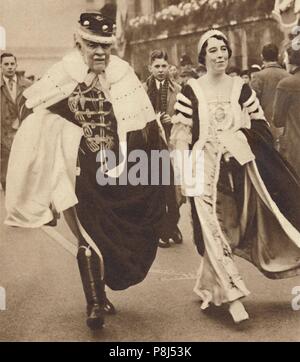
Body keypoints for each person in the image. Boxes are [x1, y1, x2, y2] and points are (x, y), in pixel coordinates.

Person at [5, 10, 168, 330]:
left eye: (105, 46)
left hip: (118, 170)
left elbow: (146, 126)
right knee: (86, 232)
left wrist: (157, 173)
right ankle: (94, 302)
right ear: (77, 42)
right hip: (78, 170)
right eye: (92, 44)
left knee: (116, 233)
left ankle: (102, 288)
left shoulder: (123, 74)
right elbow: (31, 109)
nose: (99, 52)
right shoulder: (62, 73)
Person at [170, 30, 300, 324]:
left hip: (234, 168)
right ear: (203, 57)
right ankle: (233, 297)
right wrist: (182, 173)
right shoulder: (191, 90)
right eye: (213, 50)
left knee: (229, 227)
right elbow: (180, 134)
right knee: (210, 225)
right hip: (202, 166)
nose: (219, 55)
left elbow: (260, 126)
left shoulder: (241, 88)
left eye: (223, 49)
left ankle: (208, 284)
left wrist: (239, 138)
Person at [143, 50, 183, 248]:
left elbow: (186, 116)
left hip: (172, 143)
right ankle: (166, 228)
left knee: (174, 191)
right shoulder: (142, 90)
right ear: (150, 68)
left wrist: (173, 119)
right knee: (155, 190)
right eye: (157, 66)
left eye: (163, 66)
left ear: (169, 68)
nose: (160, 70)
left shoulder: (178, 90)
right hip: (149, 146)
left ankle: (171, 225)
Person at [0, 53, 31, 191]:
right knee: (6, 178)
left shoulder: (28, 85)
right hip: (3, 140)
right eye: (6, 64)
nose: (10, 67)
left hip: (24, 136)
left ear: (16, 65)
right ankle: (11, 211)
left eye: (12, 64)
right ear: (1, 66)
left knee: (26, 177)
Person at [251, 43, 288, 144]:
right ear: (278, 56)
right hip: (286, 128)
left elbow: (252, 102)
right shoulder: (287, 75)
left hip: (265, 127)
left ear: (262, 56)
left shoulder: (258, 76)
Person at [273, 44, 300, 176]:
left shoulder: (286, 84)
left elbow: (277, 120)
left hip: (295, 148)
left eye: (285, 57)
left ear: (292, 60)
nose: (284, 61)